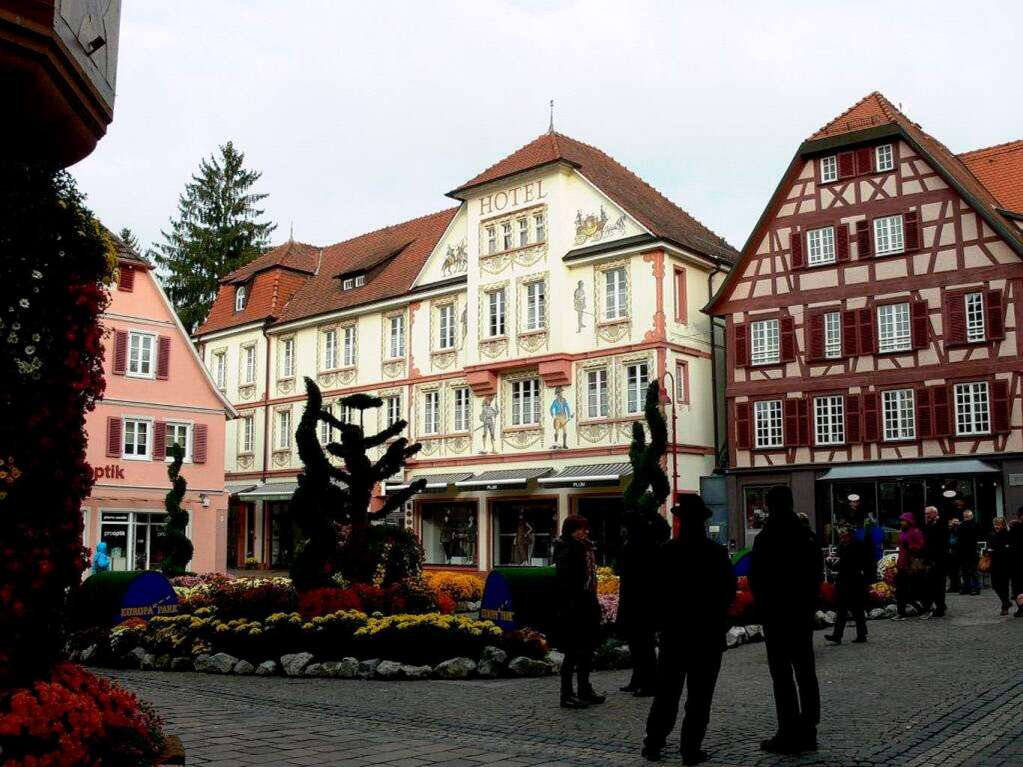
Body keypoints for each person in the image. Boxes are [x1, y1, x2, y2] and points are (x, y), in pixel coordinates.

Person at [643, 495, 735, 766]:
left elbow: (655, 592)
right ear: (704, 522)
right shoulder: (715, 553)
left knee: (666, 693)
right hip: (707, 634)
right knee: (699, 697)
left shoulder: (667, 551)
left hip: (675, 633)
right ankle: (690, 749)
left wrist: (660, 624)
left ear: (680, 520)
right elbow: (728, 592)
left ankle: (653, 743)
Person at [749, 486, 821, 755]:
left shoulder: (767, 537)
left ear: (769, 505)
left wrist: (764, 607)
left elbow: (757, 578)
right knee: (806, 673)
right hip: (801, 613)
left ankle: (787, 731)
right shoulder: (807, 536)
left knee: (782, 675)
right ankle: (809, 729)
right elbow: (817, 575)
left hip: (777, 615)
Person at [553, 514, 604, 709]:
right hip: (574, 606)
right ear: (572, 530)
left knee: (587, 649)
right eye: (581, 529)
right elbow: (565, 581)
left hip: (587, 602)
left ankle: (584, 688)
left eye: (585, 528)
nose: (585, 532)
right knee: (572, 651)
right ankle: (566, 694)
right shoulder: (567, 549)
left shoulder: (585, 547)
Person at [618, 510, 670, 697]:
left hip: (639, 602)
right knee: (639, 644)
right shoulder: (645, 543)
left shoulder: (640, 545)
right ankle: (639, 679)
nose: (622, 530)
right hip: (639, 600)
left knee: (642, 645)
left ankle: (648, 682)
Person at [824, 527, 869, 644]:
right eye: (840, 534)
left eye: (843, 533)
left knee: (857, 609)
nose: (841, 536)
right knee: (842, 609)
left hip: (854, 580)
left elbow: (860, 561)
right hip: (843, 580)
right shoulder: (841, 546)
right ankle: (837, 635)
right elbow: (837, 563)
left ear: (849, 535)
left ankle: (861, 634)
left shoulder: (857, 545)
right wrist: (830, 562)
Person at [895, 512, 926, 618]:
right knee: (901, 590)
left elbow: (921, 547)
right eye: (901, 520)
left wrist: (910, 546)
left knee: (916, 588)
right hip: (903, 564)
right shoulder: (902, 532)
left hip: (912, 565)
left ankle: (924, 609)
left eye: (903, 520)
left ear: (909, 521)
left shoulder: (915, 532)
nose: (901, 522)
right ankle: (901, 612)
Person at [921, 506, 948, 618]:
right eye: (925, 514)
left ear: (934, 513)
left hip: (939, 560)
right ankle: (939, 605)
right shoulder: (928, 525)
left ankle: (940, 607)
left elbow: (940, 544)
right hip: (931, 560)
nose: (926, 516)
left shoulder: (940, 524)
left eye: (928, 514)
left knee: (939, 585)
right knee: (932, 585)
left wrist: (933, 559)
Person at [987, 517, 1014, 616]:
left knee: (1004, 585)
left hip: (1005, 563)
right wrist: (990, 550)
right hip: (994, 563)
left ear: (1003, 524)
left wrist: (998, 548)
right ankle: (1006, 602)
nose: (996, 526)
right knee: (995, 585)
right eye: (995, 524)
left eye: (998, 524)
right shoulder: (992, 534)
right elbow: (991, 546)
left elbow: (1008, 548)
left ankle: (1005, 606)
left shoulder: (1007, 534)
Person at [957, 508, 981, 595]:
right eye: (965, 517)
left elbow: (974, 533)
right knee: (965, 570)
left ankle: (976, 587)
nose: (966, 519)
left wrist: (960, 525)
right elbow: (959, 535)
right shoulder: (962, 525)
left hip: (972, 550)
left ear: (971, 516)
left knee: (973, 570)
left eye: (967, 517)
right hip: (963, 551)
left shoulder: (974, 524)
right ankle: (967, 587)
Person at [1011, 508, 1023, 617]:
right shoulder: (1015, 527)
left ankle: (1021, 608)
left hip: (1017, 561)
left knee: (1018, 587)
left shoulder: (1015, 528)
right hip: (1017, 561)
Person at [946, 518, 962, 594]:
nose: (952, 525)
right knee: (951, 571)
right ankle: (953, 586)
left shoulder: (959, 530)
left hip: (957, 552)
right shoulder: (949, 530)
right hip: (950, 552)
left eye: (955, 523)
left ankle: (958, 586)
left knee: (956, 571)